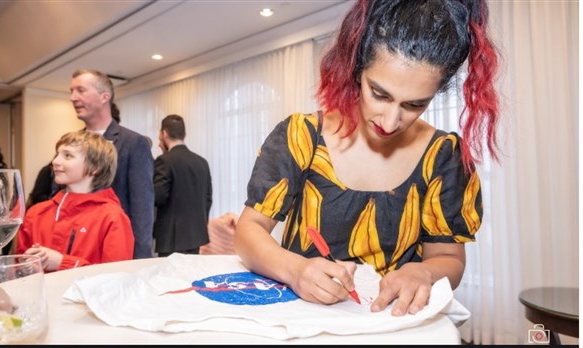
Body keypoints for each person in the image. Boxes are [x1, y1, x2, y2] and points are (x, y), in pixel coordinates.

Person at [235, 0, 500, 316]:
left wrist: (426, 272)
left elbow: (450, 258)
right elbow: (248, 232)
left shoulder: (443, 156)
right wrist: (295, 270)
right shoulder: (301, 136)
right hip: (301, 321)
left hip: (393, 326)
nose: (390, 122)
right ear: (357, 68)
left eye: (414, 105)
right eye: (380, 94)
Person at [16, 130, 134, 271]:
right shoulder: (36, 213)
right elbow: (19, 267)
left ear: (95, 167)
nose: (55, 161)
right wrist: (28, 264)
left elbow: (115, 277)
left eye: (68, 156)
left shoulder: (112, 218)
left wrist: (62, 263)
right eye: (57, 154)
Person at [70, 68, 155, 259]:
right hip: (75, 250)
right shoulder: (70, 144)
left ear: (104, 97)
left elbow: (142, 208)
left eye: (81, 90)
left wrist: (139, 262)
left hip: (113, 248)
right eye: (71, 91)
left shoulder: (133, 143)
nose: (73, 98)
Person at [153, 114, 213, 256]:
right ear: (184, 134)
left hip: (170, 237)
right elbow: (208, 199)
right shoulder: (202, 162)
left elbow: (158, 197)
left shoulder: (164, 161)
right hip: (195, 235)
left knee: (169, 277)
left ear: (164, 134)